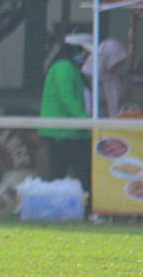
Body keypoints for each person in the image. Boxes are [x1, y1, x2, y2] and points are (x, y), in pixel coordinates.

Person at [39, 34, 92, 197]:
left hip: (62, 131)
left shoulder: (69, 68)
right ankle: (88, 208)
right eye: (85, 53)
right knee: (85, 172)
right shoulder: (64, 68)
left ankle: (54, 211)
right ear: (76, 50)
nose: (87, 57)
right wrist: (86, 120)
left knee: (57, 175)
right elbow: (67, 97)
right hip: (66, 132)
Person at [81, 36, 130, 117]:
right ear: (108, 58)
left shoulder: (114, 77)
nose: (118, 69)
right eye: (116, 64)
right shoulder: (88, 77)